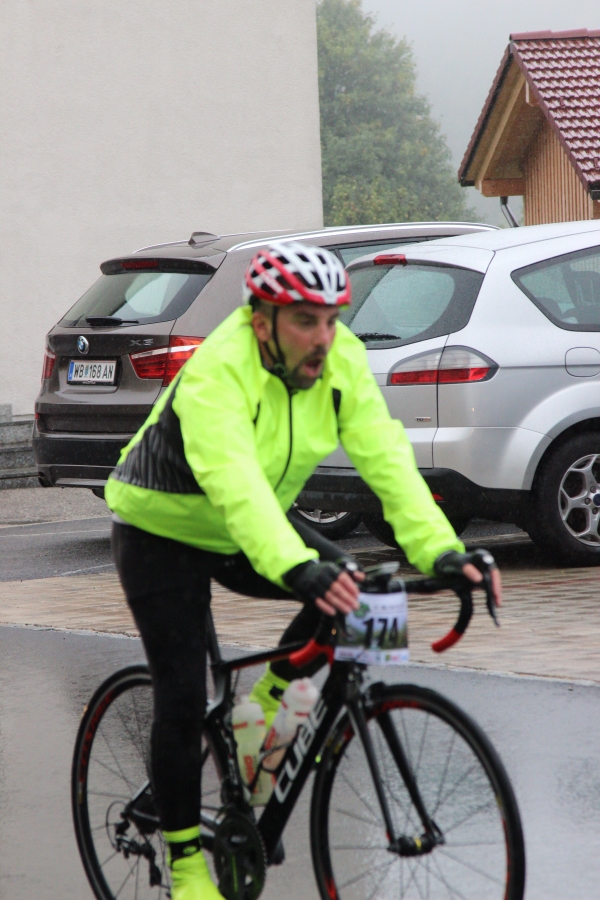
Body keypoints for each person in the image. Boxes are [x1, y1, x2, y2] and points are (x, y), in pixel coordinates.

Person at [106, 241, 501, 900]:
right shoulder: (218, 372)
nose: (324, 337)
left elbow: (387, 459)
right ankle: (187, 865)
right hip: (162, 528)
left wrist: (441, 551)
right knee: (182, 696)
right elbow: (235, 483)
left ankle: (262, 731)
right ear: (261, 322)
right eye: (304, 320)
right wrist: (296, 568)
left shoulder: (339, 358)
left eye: (331, 319)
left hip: (251, 519)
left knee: (360, 594)